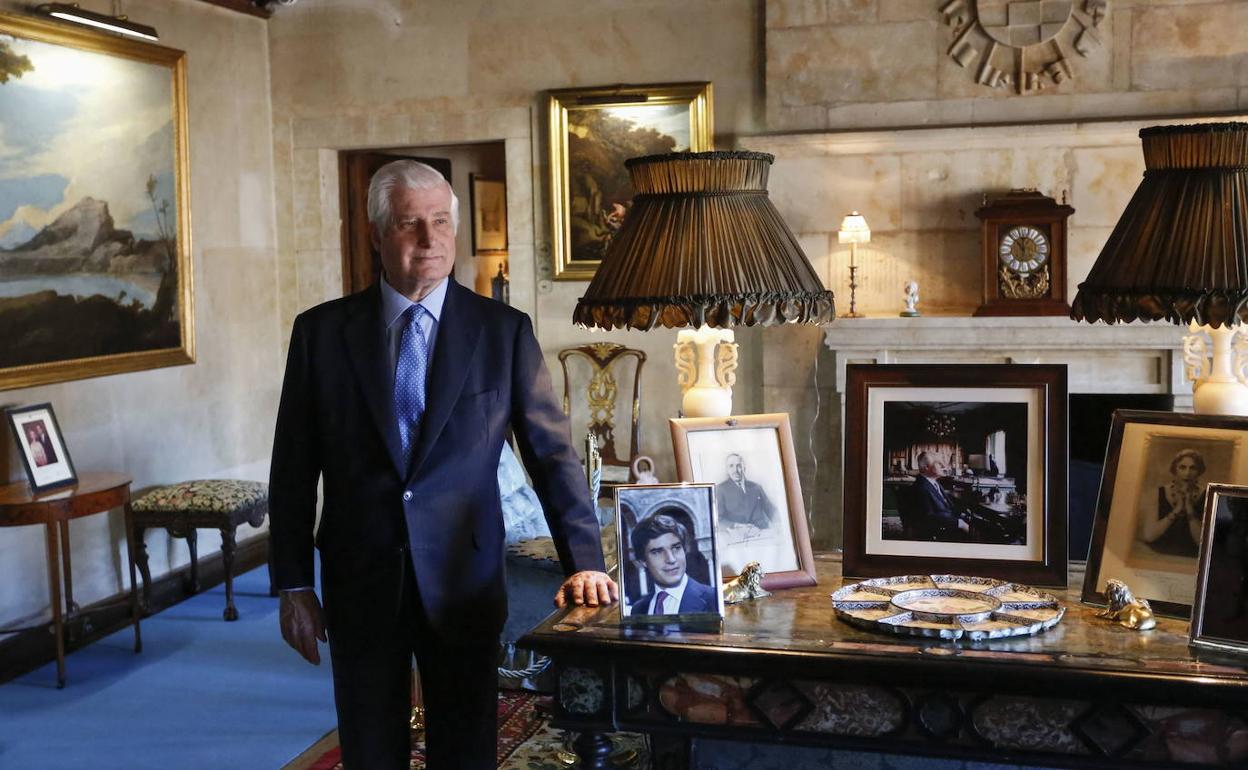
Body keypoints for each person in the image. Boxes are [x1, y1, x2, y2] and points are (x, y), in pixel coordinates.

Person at [269, 160, 617, 770]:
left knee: (466, 747)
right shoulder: (320, 333)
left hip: (466, 578)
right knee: (370, 748)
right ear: (378, 235)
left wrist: (584, 560)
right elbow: (293, 466)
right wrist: (294, 583)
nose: (429, 240)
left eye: (439, 222)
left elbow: (552, 454)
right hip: (361, 576)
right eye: (409, 224)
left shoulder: (502, 332)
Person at [628, 512, 717, 616]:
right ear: (642, 561)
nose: (671, 559)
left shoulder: (714, 599)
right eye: (657, 552)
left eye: (676, 548)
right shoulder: (638, 609)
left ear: (684, 550)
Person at [1141, 448, 1205, 558]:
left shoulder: (1207, 495)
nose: (1187, 473)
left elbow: (1202, 543)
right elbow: (1149, 536)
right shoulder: (1157, 493)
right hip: (1157, 556)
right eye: (1182, 467)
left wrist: (1189, 508)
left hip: (1191, 559)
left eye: (1193, 468)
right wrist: (1177, 510)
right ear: (1174, 470)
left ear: (1199, 471)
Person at [907, 452, 970, 541]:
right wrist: (960, 523)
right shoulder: (920, 487)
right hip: (939, 531)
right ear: (927, 467)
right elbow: (929, 518)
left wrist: (963, 515)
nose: (944, 467)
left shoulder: (934, 483)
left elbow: (949, 507)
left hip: (948, 521)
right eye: (939, 464)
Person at [714, 453, 777, 530]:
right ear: (727, 470)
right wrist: (736, 525)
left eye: (738, 466)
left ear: (744, 468)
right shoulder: (720, 489)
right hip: (738, 536)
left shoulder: (756, 487)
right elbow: (718, 519)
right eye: (731, 466)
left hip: (762, 533)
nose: (735, 470)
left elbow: (772, 512)